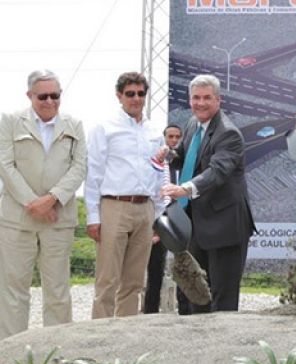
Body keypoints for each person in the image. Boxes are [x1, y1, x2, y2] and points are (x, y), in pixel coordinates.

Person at [0, 69, 87, 339]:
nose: (50, 101)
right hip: (17, 219)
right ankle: (11, 358)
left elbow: (79, 167)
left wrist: (51, 199)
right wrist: (32, 203)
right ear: (30, 96)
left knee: (58, 290)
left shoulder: (74, 125)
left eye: (55, 96)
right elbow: (5, 164)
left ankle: (57, 353)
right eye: (43, 96)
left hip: (57, 219)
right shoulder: (10, 121)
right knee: (13, 290)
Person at [162, 74, 254, 315]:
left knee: (222, 298)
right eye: (195, 98)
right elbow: (184, 156)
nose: (200, 103)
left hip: (225, 226)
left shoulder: (228, 133)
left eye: (206, 98)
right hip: (197, 225)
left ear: (218, 100)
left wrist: (185, 189)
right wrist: (168, 154)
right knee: (196, 294)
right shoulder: (193, 124)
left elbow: (217, 171)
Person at [85, 72, 165, 319]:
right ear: (119, 95)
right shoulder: (105, 127)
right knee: (108, 280)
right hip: (114, 206)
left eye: (141, 93)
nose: (136, 98)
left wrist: (159, 216)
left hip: (145, 208)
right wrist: (92, 216)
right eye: (130, 94)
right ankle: (99, 342)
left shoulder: (154, 131)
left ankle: (125, 344)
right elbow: (94, 172)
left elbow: (158, 172)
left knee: (134, 282)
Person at [143, 124, 182, 314]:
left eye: (177, 137)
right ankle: (148, 310)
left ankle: (180, 309)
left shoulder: (179, 162)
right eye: (170, 137)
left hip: (175, 216)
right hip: (156, 215)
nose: (174, 141)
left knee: (175, 264)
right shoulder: (154, 160)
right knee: (152, 267)